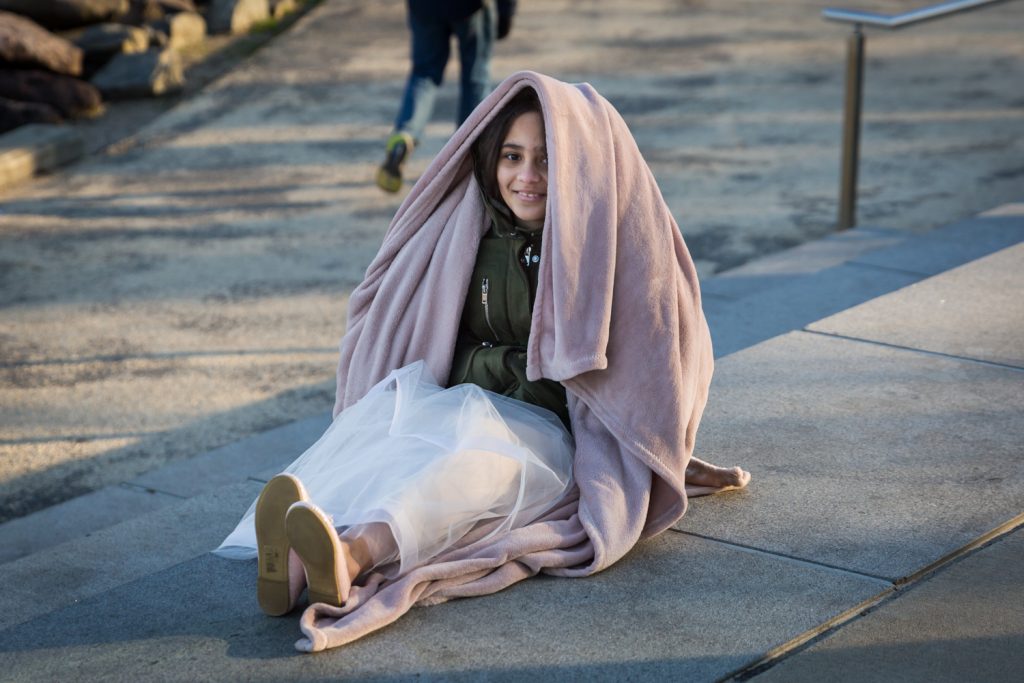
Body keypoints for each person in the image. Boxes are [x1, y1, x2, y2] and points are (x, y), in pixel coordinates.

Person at [215, 72, 750, 652]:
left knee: (467, 466)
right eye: (513, 157)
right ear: (491, 160)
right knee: (399, 427)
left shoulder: (614, 247)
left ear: (580, 165)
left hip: (554, 436)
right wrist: (494, 371)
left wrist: (498, 372)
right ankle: (296, 559)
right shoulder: (472, 235)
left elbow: (633, 369)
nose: (527, 177)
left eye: (547, 160)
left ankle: (350, 554)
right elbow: (445, 340)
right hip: (472, 401)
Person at [376, 0, 517, 193]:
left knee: (424, 74)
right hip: (472, 8)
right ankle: (467, 155)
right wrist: (506, 11)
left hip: (424, 7)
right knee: (475, 78)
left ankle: (404, 134)